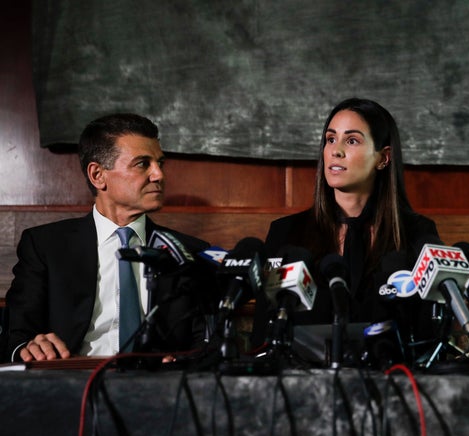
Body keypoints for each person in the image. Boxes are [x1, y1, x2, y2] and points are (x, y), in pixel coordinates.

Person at [5, 113, 217, 362]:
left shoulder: (189, 251)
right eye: (142, 164)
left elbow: (204, 341)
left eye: (160, 163)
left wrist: (184, 361)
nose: (159, 175)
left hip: (158, 388)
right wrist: (27, 348)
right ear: (97, 175)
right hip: (71, 383)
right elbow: (15, 335)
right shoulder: (45, 246)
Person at [251, 98, 440, 363]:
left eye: (351, 141)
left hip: (393, 385)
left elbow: (428, 336)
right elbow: (263, 334)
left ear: (383, 158)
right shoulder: (286, 233)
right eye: (330, 139)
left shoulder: (416, 233)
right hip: (304, 387)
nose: (335, 151)